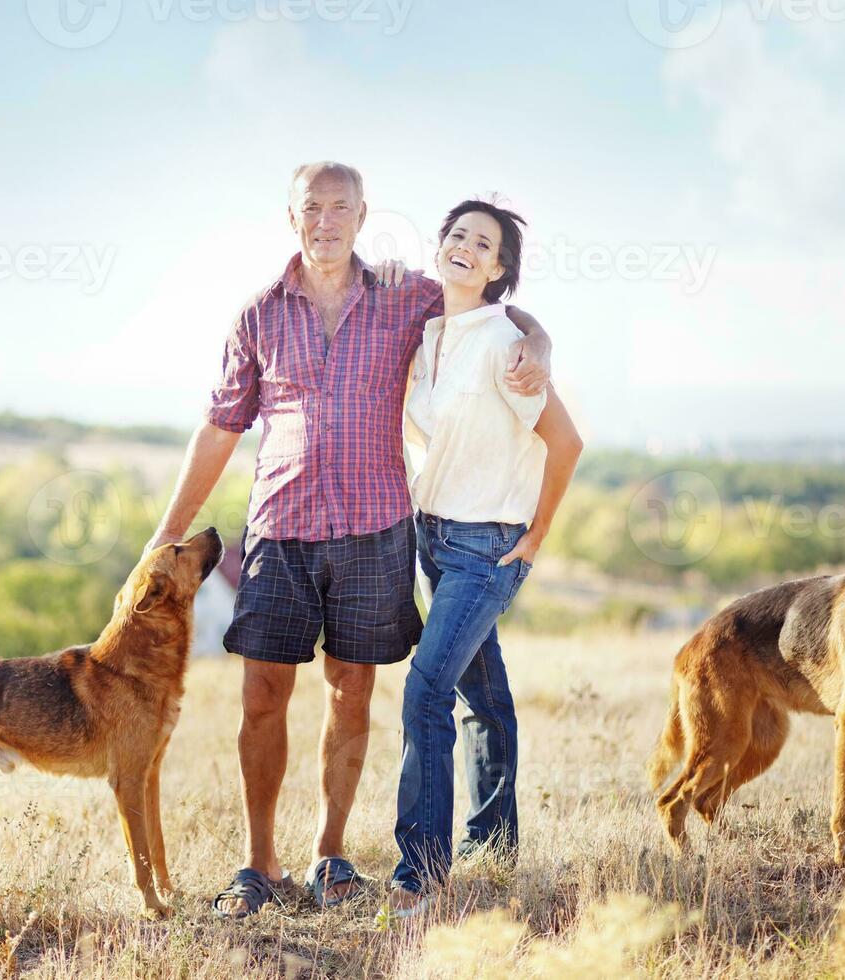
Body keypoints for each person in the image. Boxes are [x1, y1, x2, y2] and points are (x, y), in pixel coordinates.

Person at [143, 162, 553, 918]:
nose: (326, 220)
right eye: (312, 208)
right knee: (262, 695)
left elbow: (491, 305)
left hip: (374, 530)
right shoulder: (258, 314)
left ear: (363, 215)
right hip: (280, 530)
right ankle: (258, 865)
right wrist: (169, 529)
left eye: (340, 207)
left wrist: (540, 340)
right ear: (290, 215)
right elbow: (220, 426)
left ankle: (330, 856)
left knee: (352, 690)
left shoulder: (406, 296)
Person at [386, 199, 583, 917]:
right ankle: (494, 842)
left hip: (487, 548)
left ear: (499, 270)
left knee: (425, 691)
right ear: (440, 248)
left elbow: (565, 443)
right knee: (481, 696)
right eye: (458, 236)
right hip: (431, 539)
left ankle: (421, 871)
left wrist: (534, 537)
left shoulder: (506, 343)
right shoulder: (426, 330)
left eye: (484, 243)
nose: (466, 247)